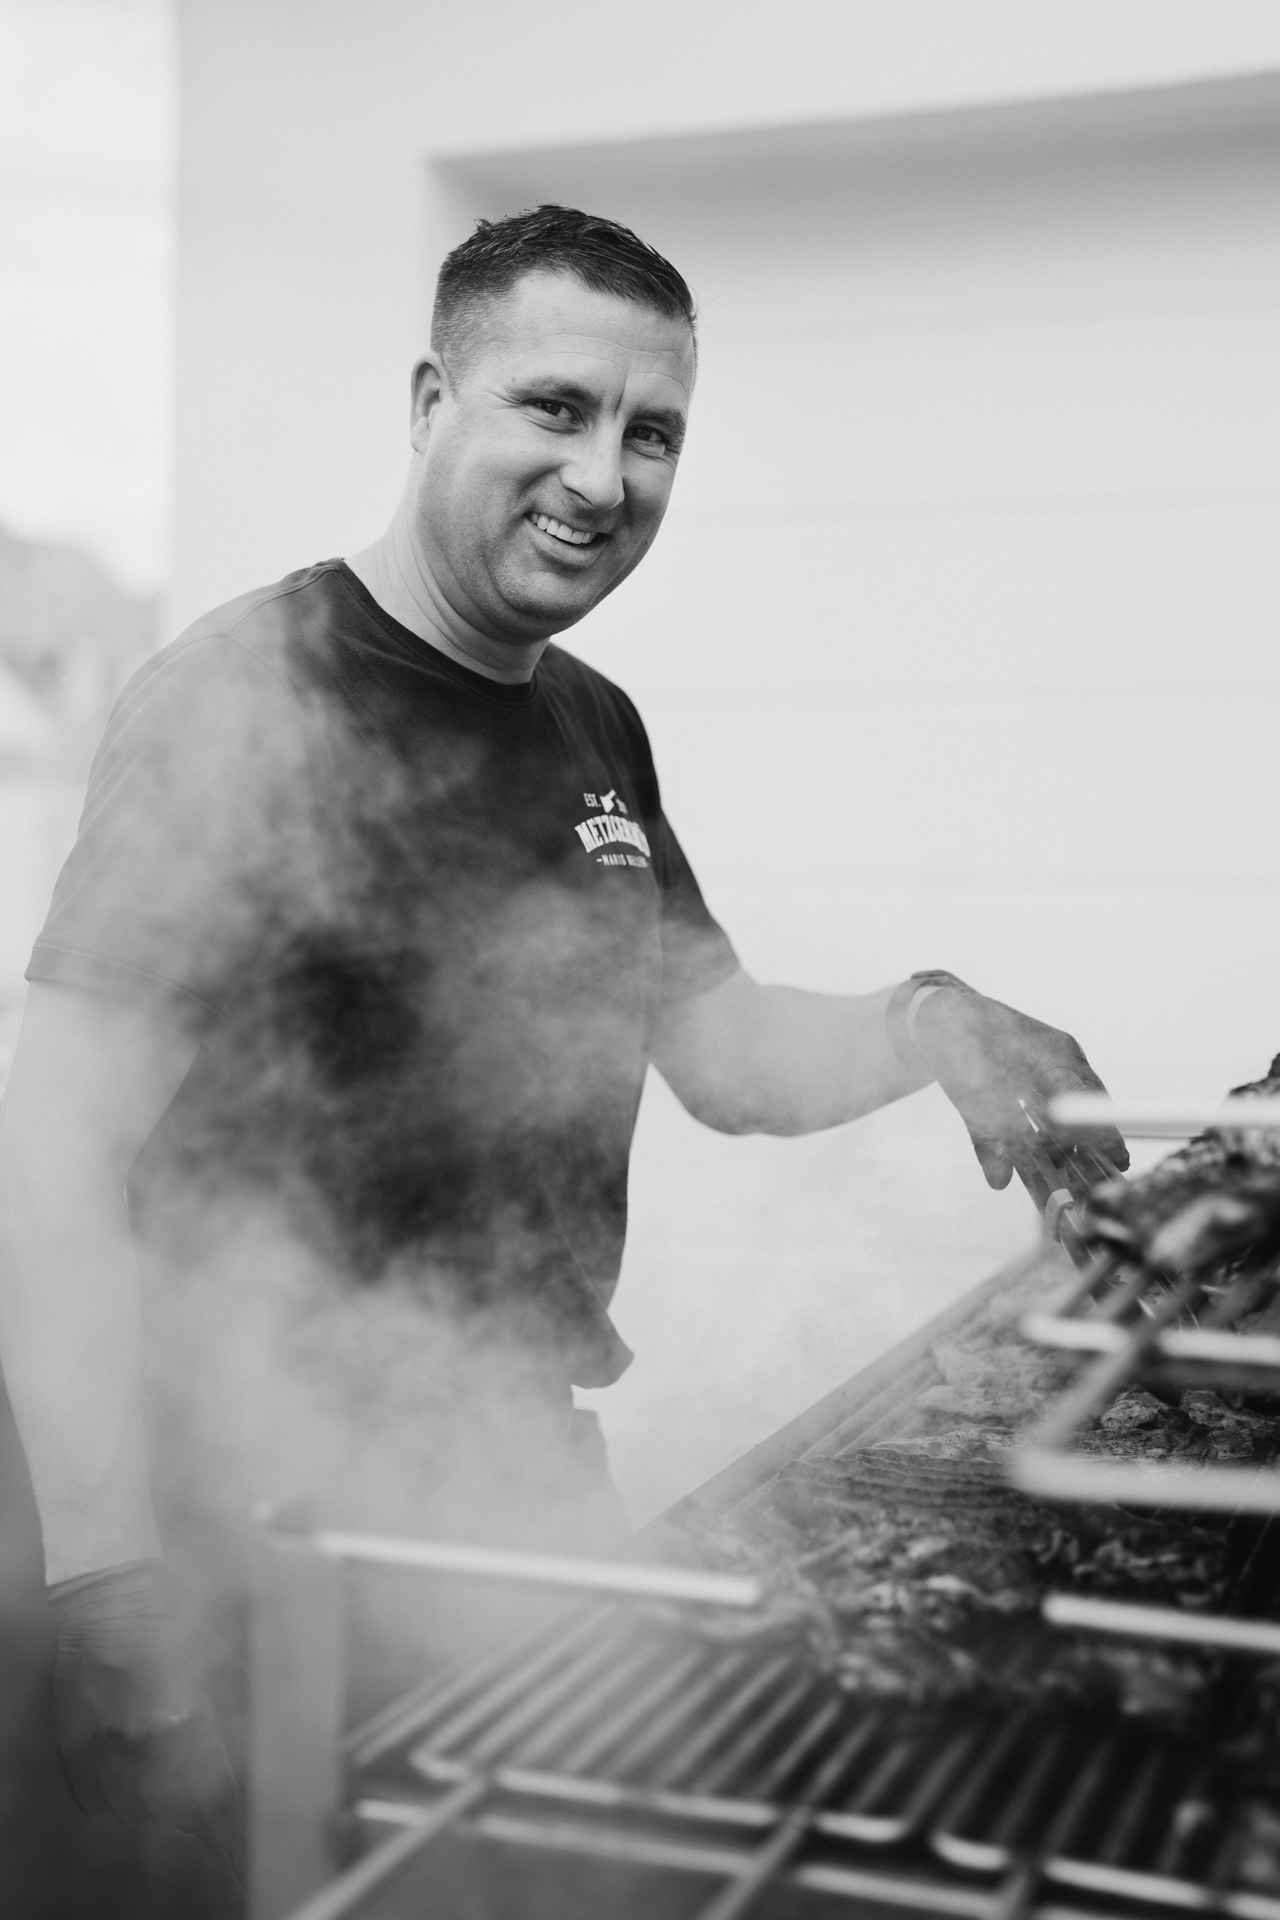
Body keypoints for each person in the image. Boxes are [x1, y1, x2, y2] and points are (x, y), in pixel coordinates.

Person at [0, 205, 1126, 1904]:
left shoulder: (594, 724)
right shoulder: (243, 696)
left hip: (503, 1479)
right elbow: (51, 1157)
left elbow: (723, 1048)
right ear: (428, 401)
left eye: (650, 431)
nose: (602, 476)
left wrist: (927, 1023)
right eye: (555, 407)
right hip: (232, 1529)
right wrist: (106, 1589)